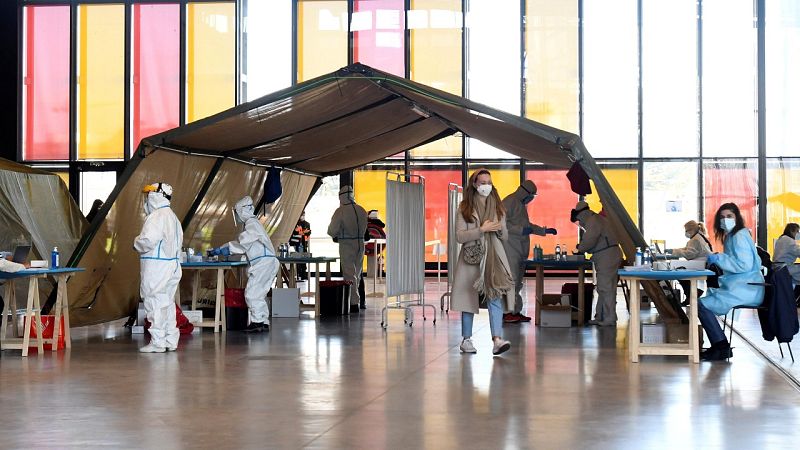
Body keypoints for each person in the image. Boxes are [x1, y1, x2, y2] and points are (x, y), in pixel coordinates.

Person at [452, 169, 514, 356]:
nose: (486, 186)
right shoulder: (465, 208)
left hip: (493, 257)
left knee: (495, 294)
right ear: (474, 184)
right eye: (482, 183)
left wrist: (499, 229)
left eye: (489, 182)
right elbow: (459, 236)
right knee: (468, 298)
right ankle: (466, 339)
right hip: (472, 258)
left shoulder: (498, 207)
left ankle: (497, 339)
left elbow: (505, 236)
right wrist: (481, 230)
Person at [699, 203, 764, 361]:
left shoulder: (738, 235)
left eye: (729, 216)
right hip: (744, 286)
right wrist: (720, 258)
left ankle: (721, 346)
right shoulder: (734, 235)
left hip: (747, 288)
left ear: (737, 217)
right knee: (701, 303)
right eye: (722, 217)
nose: (725, 220)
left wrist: (719, 258)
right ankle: (720, 345)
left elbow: (744, 265)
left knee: (700, 305)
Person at [209, 196, 278, 332]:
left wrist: (225, 249)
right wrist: (225, 248)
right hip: (266, 262)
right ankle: (263, 321)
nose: (236, 216)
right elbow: (245, 243)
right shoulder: (253, 223)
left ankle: (258, 322)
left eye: (236, 212)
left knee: (252, 293)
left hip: (263, 263)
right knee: (259, 294)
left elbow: (242, 243)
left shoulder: (252, 224)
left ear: (241, 211)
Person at [134, 182, 182, 353]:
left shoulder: (157, 216)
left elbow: (147, 240)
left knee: (154, 301)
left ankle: (158, 342)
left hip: (157, 267)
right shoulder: (173, 217)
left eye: (149, 194)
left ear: (156, 195)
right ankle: (170, 340)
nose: (147, 199)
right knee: (167, 303)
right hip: (172, 265)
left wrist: (136, 242)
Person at [500, 180, 557, 323]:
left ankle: (515, 311)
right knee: (511, 281)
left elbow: (527, 226)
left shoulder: (520, 205)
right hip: (509, 249)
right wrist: (520, 230)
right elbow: (500, 223)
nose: (531, 199)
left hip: (518, 250)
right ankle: (506, 313)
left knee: (517, 283)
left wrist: (543, 231)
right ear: (525, 192)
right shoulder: (509, 202)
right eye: (531, 195)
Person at [571, 201, 623, 327]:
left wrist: (580, 248)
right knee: (603, 287)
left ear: (581, 215)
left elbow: (590, 239)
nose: (580, 224)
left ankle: (610, 318)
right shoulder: (596, 219)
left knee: (606, 288)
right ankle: (601, 316)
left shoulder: (593, 221)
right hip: (607, 255)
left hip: (607, 256)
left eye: (578, 221)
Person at [327, 186, 368, 313]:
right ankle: (357, 300)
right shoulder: (362, 210)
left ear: (341, 197)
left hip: (347, 244)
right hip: (360, 244)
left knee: (349, 274)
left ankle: (353, 303)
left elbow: (332, 231)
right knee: (357, 274)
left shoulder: (340, 211)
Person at [671, 220, 713, 305]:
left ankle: (690, 294)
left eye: (686, 230)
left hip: (701, 263)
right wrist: (675, 250)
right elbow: (688, 249)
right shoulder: (698, 237)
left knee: (679, 271)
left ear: (691, 230)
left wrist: (674, 252)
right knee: (681, 270)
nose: (686, 233)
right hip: (703, 263)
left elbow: (689, 254)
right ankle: (691, 294)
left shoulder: (695, 239)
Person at [289, 211, 311, 280]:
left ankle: (303, 274)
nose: (302, 216)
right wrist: (303, 232)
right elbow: (294, 232)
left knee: (304, 258)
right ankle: (298, 274)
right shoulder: (295, 223)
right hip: (295, 243)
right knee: (297, 258)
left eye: (304, 215)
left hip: (303, 243)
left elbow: (308, 232)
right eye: (302, 215)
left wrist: (301, 232)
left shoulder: (307, 224)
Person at [365, 209, 387, 277]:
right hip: (376, 246)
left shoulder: (366, 222)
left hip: (368, 246)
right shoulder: (378, 223)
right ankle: (373, 275)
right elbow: (383, 226)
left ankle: (371, 275)